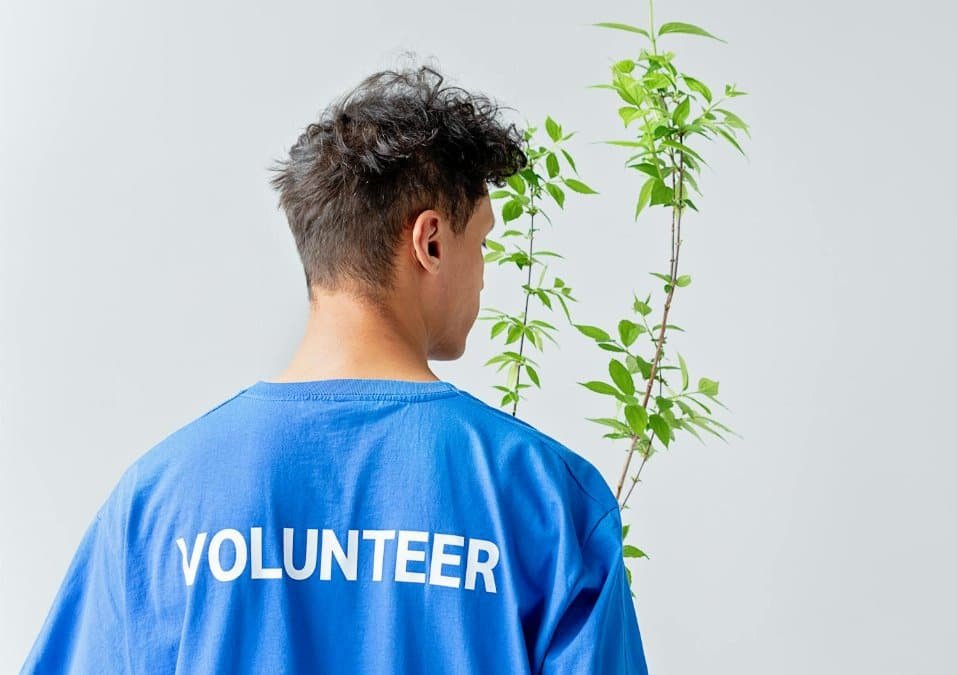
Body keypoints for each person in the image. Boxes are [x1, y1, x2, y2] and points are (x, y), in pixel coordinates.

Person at [21, 65, 650, 674]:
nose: (484, 273)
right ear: (430, 241)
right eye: (481, 242)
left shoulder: (156, 502)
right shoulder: (546, 499)